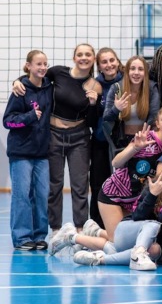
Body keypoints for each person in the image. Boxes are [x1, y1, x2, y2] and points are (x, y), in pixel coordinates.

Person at [13, 43, 102, 232]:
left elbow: (92, 121)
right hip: (53, 134)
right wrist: (17, 81)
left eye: (88, 54)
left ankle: (80, 229)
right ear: (74, 57)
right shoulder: (58, 72)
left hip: (79, 137)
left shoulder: (95, 86)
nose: (84, 58)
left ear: (93, 59)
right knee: (54, 186)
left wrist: (94, 104)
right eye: (80, 54)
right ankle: (55, 230)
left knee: (80, 186)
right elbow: (35, 78)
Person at [68, 157, 162, 269]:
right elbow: (137, 216)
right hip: (130, 229)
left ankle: (99, 259)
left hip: (149, 240)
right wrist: (152, 195)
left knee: (154, 250)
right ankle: (137, 252)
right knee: (153, 225)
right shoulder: (154, 186)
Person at [98, 106, 162, 241]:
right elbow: (116, 163)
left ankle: (94, 231)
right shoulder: (145, 138)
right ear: (158, 123)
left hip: (135, 200)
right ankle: (80, 235)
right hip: (114, 194)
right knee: (117, 241)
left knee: (129, 240)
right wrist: (135, 148)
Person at [4, 50, 53, 251]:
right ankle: (22, 238)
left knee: (42, 195)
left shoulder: (49, 87)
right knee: (22, 195)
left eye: (45, 64)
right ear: (28, 66)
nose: (42, 67)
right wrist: (30, 117)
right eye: (38, 64)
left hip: (42, 153)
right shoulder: (20, 90)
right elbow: (7, 121)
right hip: (21, 153)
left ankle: (39, 235)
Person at [90, 48, 124, 228]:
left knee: (123, 184)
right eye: (104, 62)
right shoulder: (94, 85)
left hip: (122, 143)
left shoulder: (128, 81)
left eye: (112, 60)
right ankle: (96, 225)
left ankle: (121, 224)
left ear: (117, 61)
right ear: (99, 66)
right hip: (100, 142)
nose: (109, 64)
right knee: (98, 185)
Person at [103, 55, 160, 153]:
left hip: (144, 140)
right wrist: (116, 109)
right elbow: (106, 118)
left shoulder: (151, 88)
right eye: (132, 69)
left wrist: (143, 136)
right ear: (127, 72)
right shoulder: (116, 88)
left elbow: (154, 116)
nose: (136, 73)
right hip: (121, 141)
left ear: (145, 73)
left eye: (140, 69)